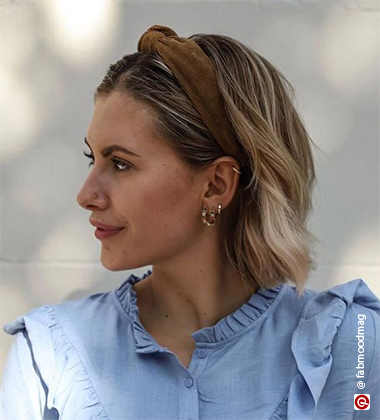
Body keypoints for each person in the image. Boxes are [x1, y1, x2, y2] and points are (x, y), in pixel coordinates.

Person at [0, 24, 379, 420]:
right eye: (91, 159)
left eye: (121, 163)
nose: (86, 195)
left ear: (216, 185)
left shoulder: (350, 346)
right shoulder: (48, 357)